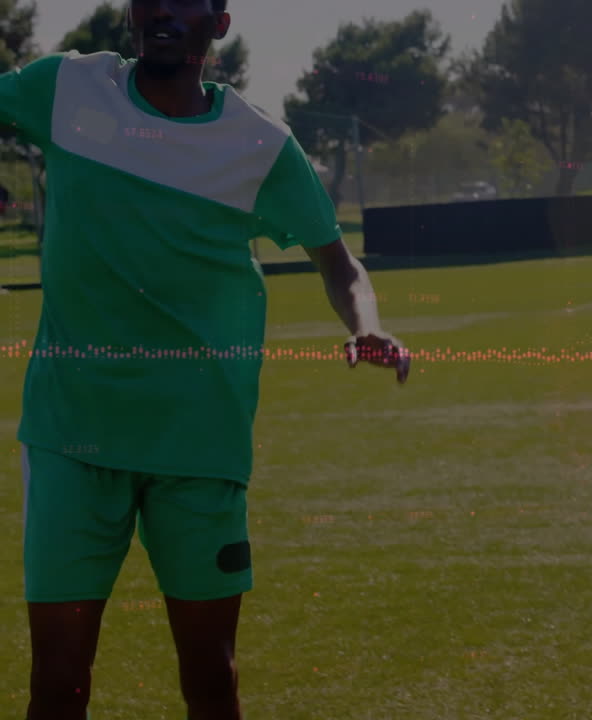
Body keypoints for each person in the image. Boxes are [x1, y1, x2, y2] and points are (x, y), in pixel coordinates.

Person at [3, 1, 410, 718]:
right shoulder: (64, 89)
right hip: (72, 438)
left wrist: (367, 325)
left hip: (199, 448)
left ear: (218, 23)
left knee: (212, 679)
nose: (162, 10)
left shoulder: (259, 145)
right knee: (57, 683)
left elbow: (339, 264)